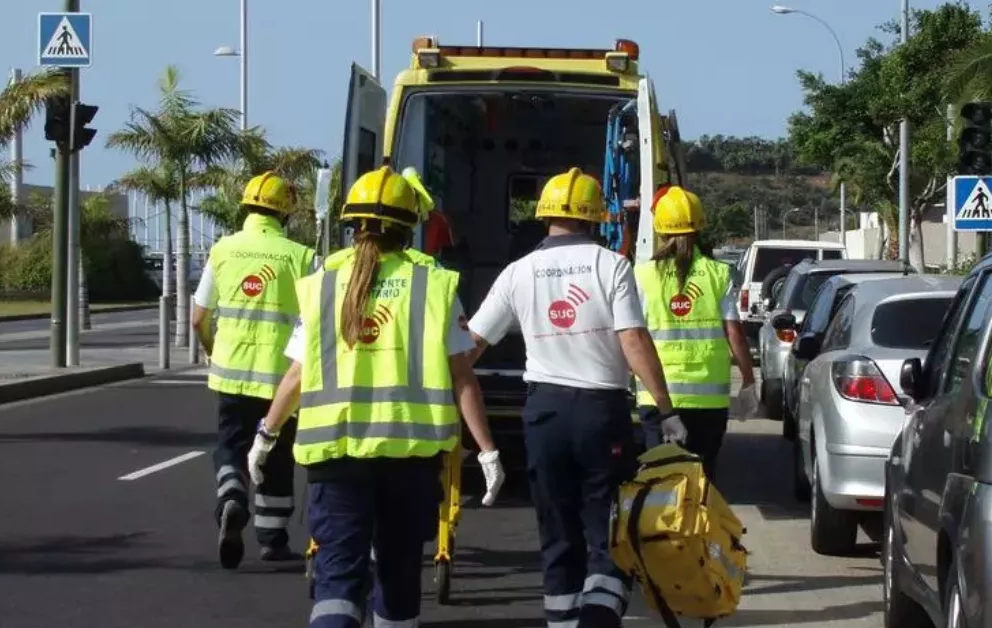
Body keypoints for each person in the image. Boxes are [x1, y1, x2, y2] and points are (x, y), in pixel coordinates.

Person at [248, 165, 506, 628]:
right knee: (398, 576)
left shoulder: (323, 286)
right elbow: (462, 378)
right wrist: (487, 450)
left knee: (337, 580)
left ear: (352, 225)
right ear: (411, 227)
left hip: (335, 457)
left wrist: (266, 434)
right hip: (410, 460)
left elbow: (297, 374)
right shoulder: (433, 285)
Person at [464, 167, 684, 628]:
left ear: (544, 216)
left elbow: (470, 347)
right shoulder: (611, 266)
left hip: (543, 413)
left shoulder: (517, 272)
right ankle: (597, 619)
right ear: (595, 216)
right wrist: (665, 410)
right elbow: (633, 340)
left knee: (558, 533)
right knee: (607, 532)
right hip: (600, 414)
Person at [190, 172, 316, 569]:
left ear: (246, 207)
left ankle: (231, 495)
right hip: (281, 380)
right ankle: (272, 539)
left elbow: (198, 318)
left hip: (231, 373)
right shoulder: (301, 257)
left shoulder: (222, 250)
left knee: (231, 444)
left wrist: (212, 350)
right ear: (285, 213)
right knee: (276, 455)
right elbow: (316, 318)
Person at [633, 186, 758, 481]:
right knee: (702, 480)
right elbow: (734, 333)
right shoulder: (718, 274)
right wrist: (748, 381)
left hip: (658, 398)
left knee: (660, 482)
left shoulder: (642, 275)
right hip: (708, 402)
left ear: (659, 229)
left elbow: (632, 336)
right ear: (700, 226)